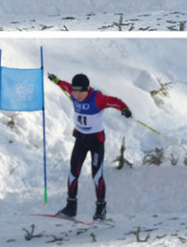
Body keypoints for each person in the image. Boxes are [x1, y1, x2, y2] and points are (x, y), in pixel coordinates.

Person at [47, 71, 132, 221]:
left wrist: (124, 109)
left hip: (96, 142)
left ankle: (101, 209)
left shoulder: (98, 98)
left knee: (96, 174)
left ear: (87, 89)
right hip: (80, 139)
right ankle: (71, 207)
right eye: (75, 91)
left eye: (81, 91)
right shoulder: (72, 93)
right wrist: (56, 80)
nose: (77, 95)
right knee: (74, 172)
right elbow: (65, 85)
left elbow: (115, 101)